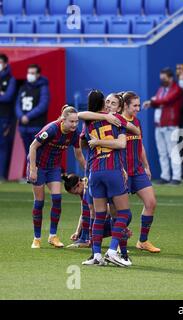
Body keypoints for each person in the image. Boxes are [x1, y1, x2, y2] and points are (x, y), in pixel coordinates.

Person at [99, 91, 160, 253]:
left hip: (137, 170)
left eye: (139, 105)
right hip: (120, 171)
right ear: (125, 106)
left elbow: (140, 146)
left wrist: (146, 166)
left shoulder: (137, 122)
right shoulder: (115, 122)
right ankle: (117, 243)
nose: (138, 108)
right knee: (117, 212)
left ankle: (143, 241)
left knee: (151, 203)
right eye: (135, 105)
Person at [81, 90, 132, 267]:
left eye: (113, 102)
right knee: (123, 213)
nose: (109, 104)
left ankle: (96, 255)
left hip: (95, 172)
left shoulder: (88, 122)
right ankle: (112, 251)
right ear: (104, 103)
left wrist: (96, 142)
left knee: (100, 215)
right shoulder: (118, 120)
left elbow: (79, 114)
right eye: (108, 102)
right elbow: (121, 144)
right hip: (112, 170)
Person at [28, 105, 86, 249]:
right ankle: (37, 238)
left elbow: (78, 154)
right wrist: (33, 169)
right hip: (39, 167)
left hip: (54, 167)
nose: (74, 124)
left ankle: (53, 236)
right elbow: (32, 147)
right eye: (71, 122)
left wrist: (88, 170)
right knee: (39, 202)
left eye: (76, 121)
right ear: (63, 120)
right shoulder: (52, 129)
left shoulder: (74, 134)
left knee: (57, 199)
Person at [143, 68, 183, 185]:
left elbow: (166, 100)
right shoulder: (161, 89)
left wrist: (151, 102)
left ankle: (176, 177)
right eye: (161, 78)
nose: (162, 80)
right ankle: (165, 176)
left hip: (170, 124)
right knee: (162, 152)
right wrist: (154, 101)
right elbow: (159, 100)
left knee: (173, 151)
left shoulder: (176, 89)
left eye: (164, 78)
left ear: (170, 78)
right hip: (159, 124)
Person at [16, 64, 50, 157]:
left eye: (32, 73)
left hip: (36, 126)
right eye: (28, 72)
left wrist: (28, 116)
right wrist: (21, 116)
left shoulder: (43, 88)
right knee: (28, 154)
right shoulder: (23, 87)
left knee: (38, 153)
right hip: (23, 127)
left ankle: (37, 171)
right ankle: (29, 171)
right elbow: (17, 104)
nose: (29, 75)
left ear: (38, 75)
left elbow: (43, 105)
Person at [0, 53, 17, 181]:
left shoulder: (11, 79)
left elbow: (7, 97)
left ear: (5, 64)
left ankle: (1, 175)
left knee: (3, 147)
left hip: (4, 119)